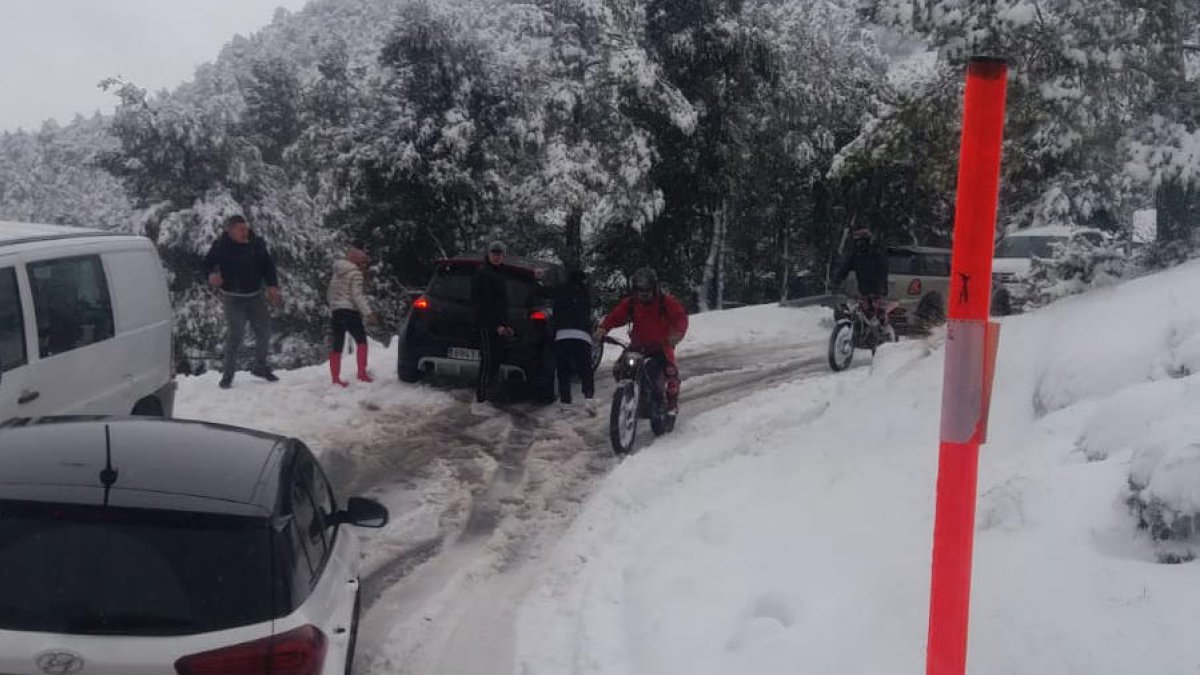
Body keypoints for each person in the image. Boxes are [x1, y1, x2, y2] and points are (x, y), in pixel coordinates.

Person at [594, 267, 688, 416]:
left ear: (654, 288)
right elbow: (615, 316)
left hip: (661, 346)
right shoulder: (631, 303)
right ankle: (630, 394)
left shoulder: (665, 303)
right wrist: (603, 328)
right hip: (638, 346)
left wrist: (677, 334)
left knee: (670, 373)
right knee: (619, 368)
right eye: (640, 290)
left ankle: (671, 405)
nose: (644, 294)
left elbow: (680, 318)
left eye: (647, 290)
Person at [203, 214, 281, 389]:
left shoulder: (256, 244)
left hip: (255, 296)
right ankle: (228, 375)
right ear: (230, 231)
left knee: (264, 332)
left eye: (246, 228)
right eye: (240, 229)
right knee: (236, 335)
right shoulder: (221, 246)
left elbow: (268, 266)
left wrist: (272, 286)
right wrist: (212, 275)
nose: (245, 232)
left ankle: (260, 366)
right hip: (233, 299)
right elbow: (206, 264)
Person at [327, 244, 378, 387]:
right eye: (363, 261)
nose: (364, 265)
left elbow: (330, 293)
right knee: (361, 341)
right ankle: (362, 374)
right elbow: (357, 296)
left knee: (337, 344)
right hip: (350, 311)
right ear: (356, 261)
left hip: (336, 311)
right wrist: (368, 313)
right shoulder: (356, 274)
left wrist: (334, 306)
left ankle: (335, 379)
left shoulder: (337, 272)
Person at [552, 267, 597, 416]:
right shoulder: (585, 293)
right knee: (585, 369)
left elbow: (548, 299)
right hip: (582, 335)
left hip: (562, 335)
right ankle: (589, 399)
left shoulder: (560, 291)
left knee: (563, 370)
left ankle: (565, 403)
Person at [472, 240, 513, 403]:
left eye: (499, 254)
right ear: (488, 255)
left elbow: (502, 304)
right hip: (486, 323)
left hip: (499, 324)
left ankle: (491, 390)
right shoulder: (483, 273)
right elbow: (484, 303)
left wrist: (505, 324)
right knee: (488, 358)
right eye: (493, 254)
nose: (496, 257)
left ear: (503, 256)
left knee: (496, 357)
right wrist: (496, 325)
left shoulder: (501, 274)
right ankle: (481, 394)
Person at [832, 228, 890, 324]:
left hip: (877, 292)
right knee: (859, 313)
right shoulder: (856, 256)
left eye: (862, 241)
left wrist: (881, 289)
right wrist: (836, 281)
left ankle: (881, 327)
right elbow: (844, 268)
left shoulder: (876, 255)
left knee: (877, 315)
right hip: (863, 292)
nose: (859, 244)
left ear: (868, 241)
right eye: (857, 242)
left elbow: (883, 272)